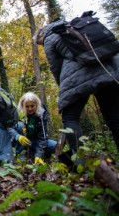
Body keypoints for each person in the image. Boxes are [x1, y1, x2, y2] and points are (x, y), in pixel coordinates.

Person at [33, 22, 119, 153]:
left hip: (81, 74)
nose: (41, 45)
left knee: (70, 117)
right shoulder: (73, 26)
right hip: (108, 68)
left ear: (40, 35)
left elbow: (56, 67)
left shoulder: (49, 37)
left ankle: (81, 161)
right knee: (114, 117)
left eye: (39, 43)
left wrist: (63, 88)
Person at [8, 92, 57, 164]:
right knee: (20, 125)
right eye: (27, 106)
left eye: (32, 106)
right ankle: (21, 154)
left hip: (35, 142)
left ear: (37, 105)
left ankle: (37, 155)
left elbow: (43, 136)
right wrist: (17, 136)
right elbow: (8, 127)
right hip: (19, 143)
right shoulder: (17, 113)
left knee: (54, 145)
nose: (30, 109)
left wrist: (39, 154)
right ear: (23, 106)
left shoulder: (41, 114)